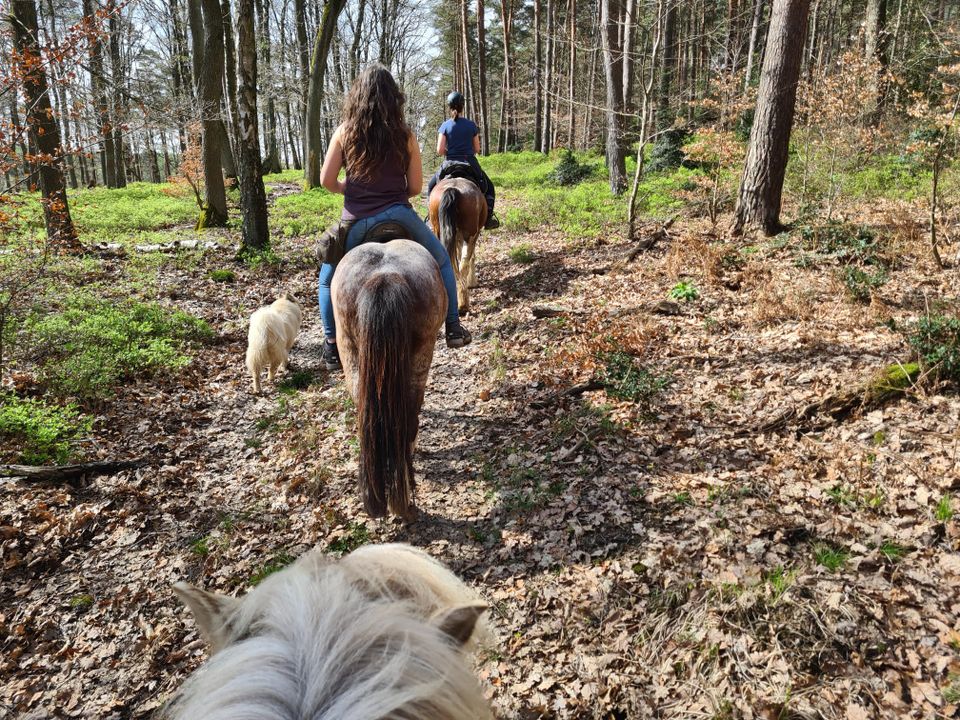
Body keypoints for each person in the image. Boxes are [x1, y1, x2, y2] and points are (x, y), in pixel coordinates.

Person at [317, 65, 472, 371]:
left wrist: (349, 187)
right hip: (399, 215)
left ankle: (331, 346)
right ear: (394, 97)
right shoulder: (404, 134)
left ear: (357, 96)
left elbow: (326, 180)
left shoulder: (345, 131)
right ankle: (453, 327)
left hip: (356, 220)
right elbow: (415, 187)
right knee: (441, 260)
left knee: (326, 279)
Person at [427, 91, 499, 230]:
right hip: (469, 161)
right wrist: (466, 151)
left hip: (449, 162)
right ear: (462, 106)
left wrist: (452, 152)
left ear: (449, 107)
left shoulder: (445, 126)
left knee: (430, 187)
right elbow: (477, 149)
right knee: (489, 187)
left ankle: (430, 218)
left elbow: (440, 150)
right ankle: (489, 218)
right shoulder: (471, 125)